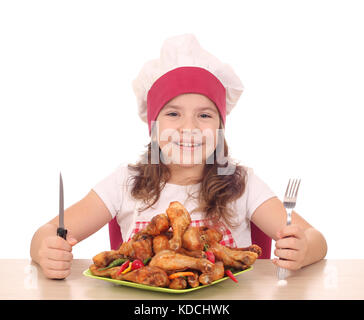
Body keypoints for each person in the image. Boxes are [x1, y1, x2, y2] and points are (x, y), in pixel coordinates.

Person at [30, 34, 327, 279]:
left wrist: (303, 249)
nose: (189, 128)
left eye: (205, 115)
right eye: (173, 114)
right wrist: (46, 250)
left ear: (220, 127)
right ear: (153, 126)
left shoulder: (242, 184)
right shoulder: (125, 182)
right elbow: (46, 232)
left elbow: (315, 239)